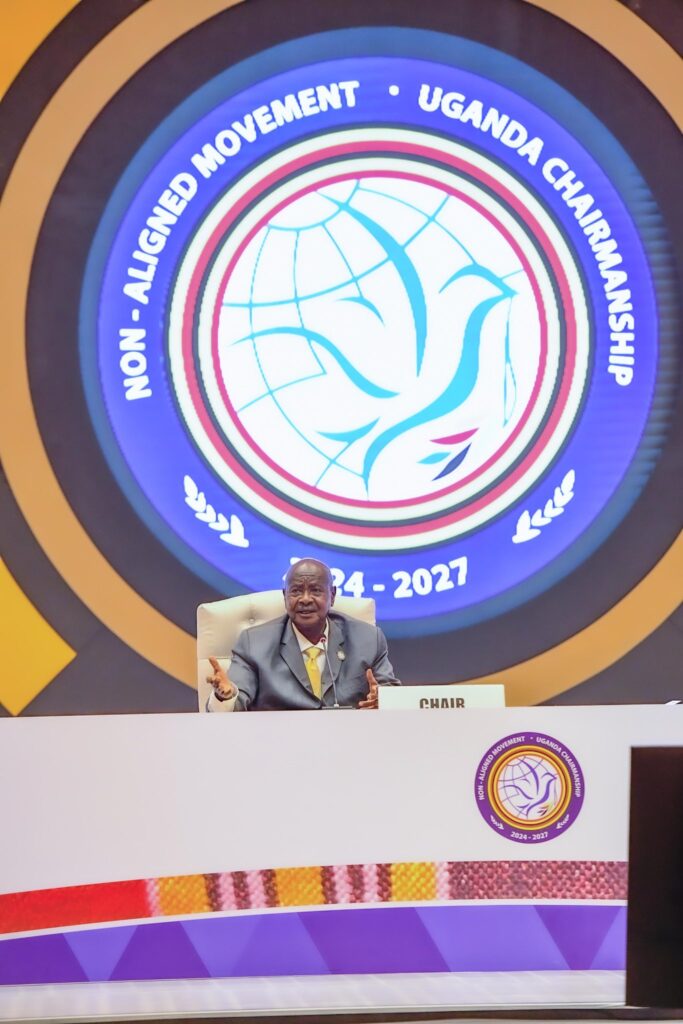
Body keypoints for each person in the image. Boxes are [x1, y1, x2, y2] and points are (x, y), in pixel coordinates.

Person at [205, 558, 400, 711]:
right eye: (296, 591)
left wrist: (383, 700)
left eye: (315, 590)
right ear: (285, 596)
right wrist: (226, 696)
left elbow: (392, 696)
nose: (305, 599)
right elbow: (236, 703)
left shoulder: (367, 639)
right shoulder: (253, 643)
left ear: (332, 595)